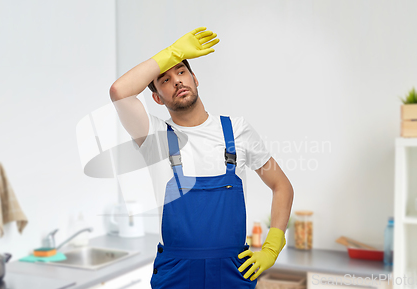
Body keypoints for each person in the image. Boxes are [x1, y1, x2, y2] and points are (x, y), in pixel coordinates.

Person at [109, 27, 294, 289]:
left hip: (234, 271)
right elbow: (119, 91)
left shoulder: (238, 130)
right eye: (164, 79)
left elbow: (281, 185)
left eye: (181, 72)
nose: (176, 81)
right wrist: (173, 52)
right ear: (156, 98)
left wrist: (272, 246)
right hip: (176, 274)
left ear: (195, 79)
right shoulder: (155, 136)